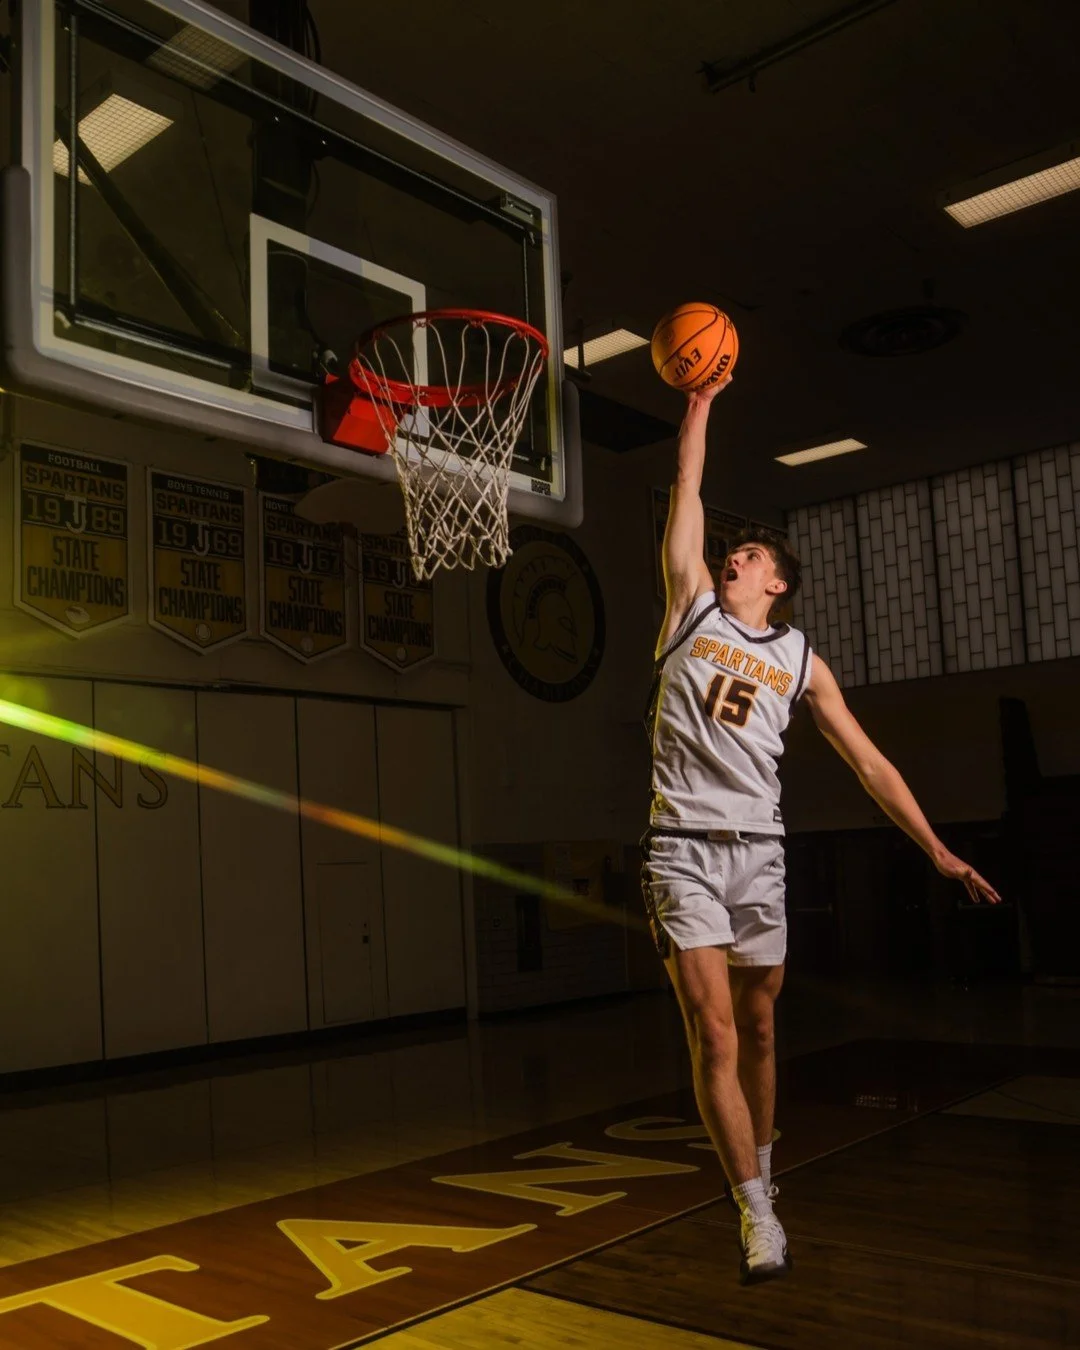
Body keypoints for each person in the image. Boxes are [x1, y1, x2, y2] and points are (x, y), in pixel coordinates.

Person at [642, 376, 1001, 1285]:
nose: (736, 556)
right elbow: (686, 489)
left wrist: (935, 846)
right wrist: (701, 401)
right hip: (682, 844)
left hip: (762, 854)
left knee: (760, 1031)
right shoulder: (687, 607)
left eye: (753, 552)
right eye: (735, 548)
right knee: (715, 1035)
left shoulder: (800, 658)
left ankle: (765, 1173)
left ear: (779, 580)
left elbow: (870, 763)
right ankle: (754, 1210)